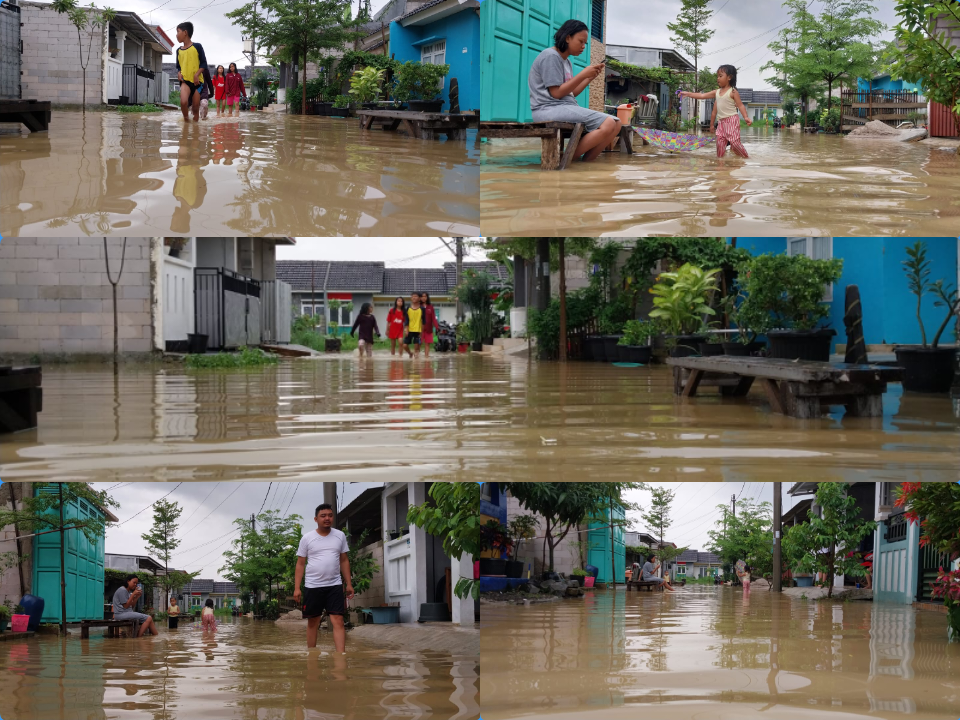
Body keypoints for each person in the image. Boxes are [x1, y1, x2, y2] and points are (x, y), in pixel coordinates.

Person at [528, 19, 621, 162]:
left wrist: (589, 78)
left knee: (617, 123)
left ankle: (586, 163)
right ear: (567, 38)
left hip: (563, 106)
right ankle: (568, 160)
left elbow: (571, 93)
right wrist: (583, 73)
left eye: (585, 43)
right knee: (608, 123)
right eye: (581, 41)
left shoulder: (567, 61)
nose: (583, 46)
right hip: (547, 109)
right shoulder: (551, 56)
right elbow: (556, 93)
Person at [293, 503, 355, 653]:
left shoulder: (339, 536)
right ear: (316, 519)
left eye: (330, 515)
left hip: (334, 585)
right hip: (313, 586)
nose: (327, 518)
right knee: (313, 622)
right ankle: (311, 655)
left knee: (338, 620)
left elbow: (344, 560)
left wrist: (349, 584)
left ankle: (341, 655)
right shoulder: (307, 538)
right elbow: (300, 564)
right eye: (323, 516)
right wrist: (297, 588)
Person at [680, 65, 752, 158]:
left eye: (720, 76)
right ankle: (720, 162)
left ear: (729, 77)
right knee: (720, 143)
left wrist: (745, 117)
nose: (718, 78)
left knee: (734, 143)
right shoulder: (717, 92)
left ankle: (746, 158)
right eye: (717, 76)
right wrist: (688, 93)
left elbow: (741, 105)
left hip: (732, 120)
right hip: (721, 122)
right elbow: (702, 95)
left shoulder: (733, 92)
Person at [174, 22, 213, 122]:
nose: (176, 35)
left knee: (195, 107)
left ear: (185, 32)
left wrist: (197, 74)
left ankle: (195, 129)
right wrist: (179, 73)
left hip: (197, 82)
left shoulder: (197, 46)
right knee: (183, 102)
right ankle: (186, 122)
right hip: (185, 81)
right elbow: (179, 66)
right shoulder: (178, 50)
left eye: (178, 32)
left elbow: (204, 64)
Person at [403, 292, 424, 359]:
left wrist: (422, 332)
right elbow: (406, 320)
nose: (414, 297)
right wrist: (406, 329)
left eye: (416, 296)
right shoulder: (408, 308)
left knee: (416, 348)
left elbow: (424, 321)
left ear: (419, 298)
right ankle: (410, 353)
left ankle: (416, 365)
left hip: (418, 331)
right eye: (412, 296)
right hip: (409, 330)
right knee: (405, 345)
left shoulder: (422, 308)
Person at [420, 292, 438, 358]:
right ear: (420, 298)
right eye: (422, 296)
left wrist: (437, 327)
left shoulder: (430, 307)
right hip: (420, 329)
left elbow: (433, 318)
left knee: (427, 343)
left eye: (425, 296)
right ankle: (416, 357)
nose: (423, 298)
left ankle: (426, 358)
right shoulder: (418, 306)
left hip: (429, 328)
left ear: (427, 297)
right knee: (419, 343)